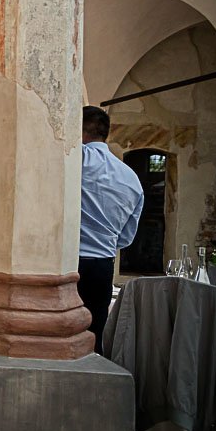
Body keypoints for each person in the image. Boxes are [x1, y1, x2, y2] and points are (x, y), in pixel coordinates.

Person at [78, 105, 144, 354]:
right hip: (102, 268)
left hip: (66, 264)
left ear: (79, 129)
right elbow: (126, 238)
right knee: (93, 340)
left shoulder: (75, 160)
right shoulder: (131, 178)